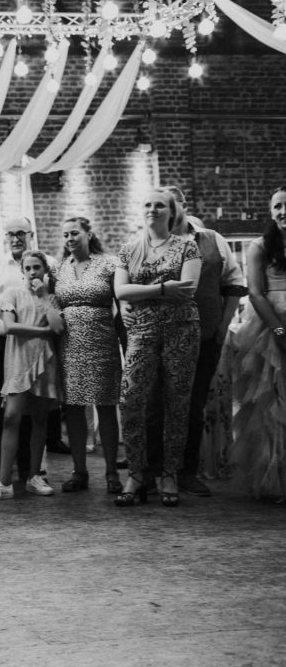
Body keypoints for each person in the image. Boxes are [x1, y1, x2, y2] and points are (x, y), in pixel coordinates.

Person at [144, 188, 246, 497]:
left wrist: (222, 327)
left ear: (182, 206)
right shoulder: (149, 241)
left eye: (171, 203)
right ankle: (152, 470)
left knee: (193, 404)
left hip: (205, 335)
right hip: (160, 336)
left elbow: (233, 284)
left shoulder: (212, 240)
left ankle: (186, 471)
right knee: (155, 405)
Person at [113, 188, 201, 507]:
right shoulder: (129, 249)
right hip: (141, 330)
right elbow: (121, 291)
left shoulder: (187, 246)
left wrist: (141, 292)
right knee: (131, 399)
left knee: (176, 402)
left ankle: (169, 473)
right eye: (148, 204)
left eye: (160, 205)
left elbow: (188, 289)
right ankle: (137, 473)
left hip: (182, 330)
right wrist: (163, 288)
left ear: (172, 212)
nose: (152, 209)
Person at [0, 252, 64, 501]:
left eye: (37, 267)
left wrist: (43, 298)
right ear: (22, 271)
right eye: (28, 268)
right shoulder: (12, 294)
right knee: (11, 417)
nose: (33, 272)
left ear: (45, 270)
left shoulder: (51, 298)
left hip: (44, 361)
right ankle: (3, 482)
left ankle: (34, 476)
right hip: (18, 359)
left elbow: (58, 328)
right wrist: (42, 331)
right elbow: (9, 326)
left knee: (39, 419)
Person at [53, 217, 123, 494]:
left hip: (102, 341)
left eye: (74, 233)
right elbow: (51, 302)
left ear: (88, 234)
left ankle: (111, 472)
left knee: (105, 406)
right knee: (73, 408)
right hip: (68, 345)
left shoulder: (108, 263)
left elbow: (121, 304)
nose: (69, 238)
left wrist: (124, 340)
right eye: (65, 235)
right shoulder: (60, 268)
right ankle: (79, 470)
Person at [229, 186, 286, 501]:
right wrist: (279, 330)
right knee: (273, 404)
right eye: (277, 206)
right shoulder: (261, 246)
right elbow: (254, 292)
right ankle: (278, 477)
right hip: (271, 325)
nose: (282, 211)